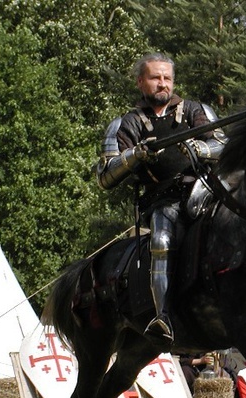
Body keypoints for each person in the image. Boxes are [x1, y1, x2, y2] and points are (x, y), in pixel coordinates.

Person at [95, 52, 226, 341]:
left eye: (167, 78)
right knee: (161, 240)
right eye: (155, 77)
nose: (162, 84)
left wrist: (199, 149)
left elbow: (223, 146)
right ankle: (162, 316)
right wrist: (135, 155)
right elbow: (105, 175)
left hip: (205, 193)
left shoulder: (196, 111)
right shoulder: (126, 124)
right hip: (164, 201)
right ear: (141, 82)